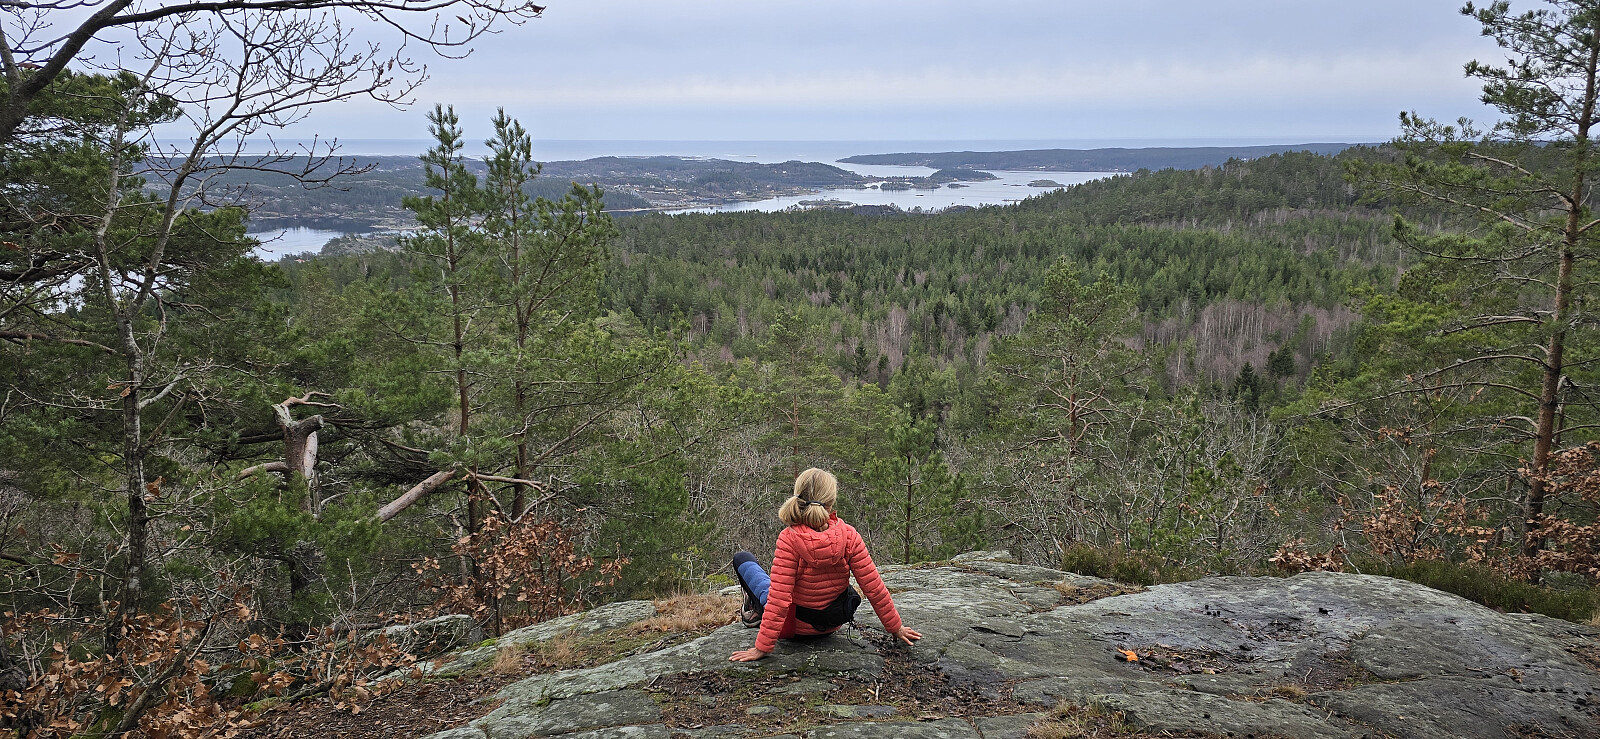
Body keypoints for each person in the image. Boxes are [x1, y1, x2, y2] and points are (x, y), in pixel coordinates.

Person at [728, 467, 922, 662]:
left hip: (794, 629)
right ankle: (754, 607)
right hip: (831, 624)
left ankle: (752, 606)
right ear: (831, 501)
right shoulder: (849, 535)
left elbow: (779, 599)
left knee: (743, 560)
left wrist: (761, 648)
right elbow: (874, 588)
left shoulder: (789, 538)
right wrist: (896, 628)